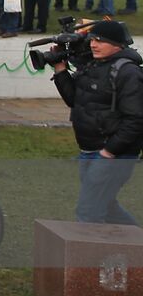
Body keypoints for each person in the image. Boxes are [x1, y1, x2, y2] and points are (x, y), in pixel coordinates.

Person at [50, 20, 143, 225]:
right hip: (90, 150)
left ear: (118, 44)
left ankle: (90, 257)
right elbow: (74, 100)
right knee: (106, 207)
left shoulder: (128, 72)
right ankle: (137, 243)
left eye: (100, 41)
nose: (93, 44)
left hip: (112, 155)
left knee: (88, 212)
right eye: (92, 39)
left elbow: (136, 120)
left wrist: (109, 152)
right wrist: (60, 69)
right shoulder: (94, 64)